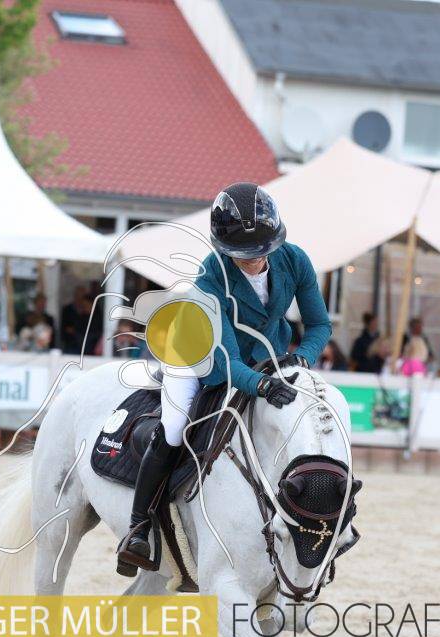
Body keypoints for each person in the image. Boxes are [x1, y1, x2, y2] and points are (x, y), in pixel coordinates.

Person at [118, 182, 331, 572]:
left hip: (266, 353)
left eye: (262, 251)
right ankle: (139, 526)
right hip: (197, 354)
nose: (254, 260)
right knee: (174, 426)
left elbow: (319, 324)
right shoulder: (211, 277)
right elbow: (228, 362)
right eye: (243, 255)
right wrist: (262, 384)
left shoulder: (295, 260)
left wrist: (302, 358)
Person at [60, 285, 101, 356]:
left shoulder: (97, 316)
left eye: (82, 296)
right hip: (73, 346)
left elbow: (93, 333)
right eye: (78, 295)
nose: (80, 298)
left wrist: (75, 331)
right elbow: (66, 329)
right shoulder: (68, 310)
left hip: (90, 349)